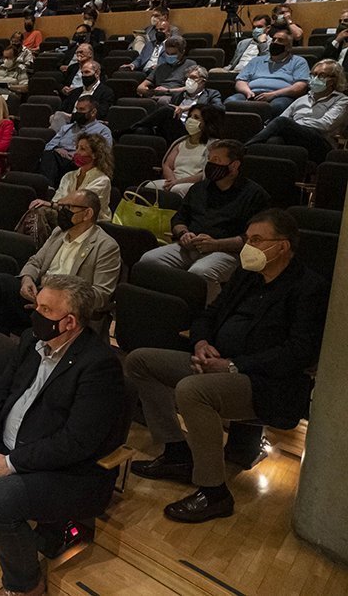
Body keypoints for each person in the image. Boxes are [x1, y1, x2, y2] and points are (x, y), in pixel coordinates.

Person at [126, 209, 328, 523]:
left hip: (263, 381)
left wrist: (232, 365)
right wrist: (201, 343)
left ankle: (215, 492)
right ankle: (178, 453)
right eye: (247, 239)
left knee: (192, 391)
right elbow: (209, 314)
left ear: (283, 246)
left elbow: (298, 352)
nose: (248, 246)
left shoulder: (308, 288)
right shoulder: (246, 274)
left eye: (257, 240)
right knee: (140, 361)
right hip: (215, 363)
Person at [0, 275, 125, 596]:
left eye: (44, 309)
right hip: (9, 447)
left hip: (66, 472)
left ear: (69, 322)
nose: (35, 313)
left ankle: (27, 585)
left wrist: (9, 463)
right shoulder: (31, 340)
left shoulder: (99, 366)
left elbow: (76, 443)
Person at [0, 190, 120, 336]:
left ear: (88, 214)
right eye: (60, 207)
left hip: (65, 311)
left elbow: (101, 295)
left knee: (3, 281)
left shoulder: (106, 246)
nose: (61, 212)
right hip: (39, 296)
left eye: (68, 208)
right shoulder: (58, 233)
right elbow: (35, 261)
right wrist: (27, 279)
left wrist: (55, 300)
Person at [139, 140, 270, 303]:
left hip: (229, 253)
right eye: (209, 159)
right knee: (148, 261)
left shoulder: (254, 195)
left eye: (216, 160)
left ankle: (214, 317)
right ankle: (165, 308)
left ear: (234, 165)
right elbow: (179, 218)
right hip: (190, 246)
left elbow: (253, 239)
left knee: (200, 272)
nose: (210, 164)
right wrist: (184, 233)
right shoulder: (199, 188)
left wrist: (217, 244)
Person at [246, 59, 348, 156]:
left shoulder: (342, 100)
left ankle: (245, 149)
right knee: (274, 141)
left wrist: (293, 124)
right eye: (313, 74)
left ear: (333, 80)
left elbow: (326, 124)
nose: (315, 78)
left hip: (322, 142)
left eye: (321, 75)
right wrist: (291, 126)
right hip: (296, 136)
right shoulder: (302, 98)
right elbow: (284, 117)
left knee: (282, 123)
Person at [226, 29, 310, 118]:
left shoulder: (298, 61)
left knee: (278, 106)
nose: (275, 42)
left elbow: (300, 87)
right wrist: (248, 93)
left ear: (288, 47)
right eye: (274, 39)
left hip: (279, 96)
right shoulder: (256, 60)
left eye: (280, 40)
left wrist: (273, 94)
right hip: (251, 94)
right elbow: (241, 81)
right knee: (230, 101)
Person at [147, 105, 223, 196]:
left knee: (177, 190)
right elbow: (167, 165)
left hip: (195, 184)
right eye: (190, 116)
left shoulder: (213, 145)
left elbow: (205, 174)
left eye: (196, 117)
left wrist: (178, 182)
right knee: (150, 186)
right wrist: (172, 181)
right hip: (173, 180)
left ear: (207, 123)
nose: (190, 120)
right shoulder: (180, 141)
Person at [37, 133, 113, 220]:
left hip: (92, 223)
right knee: (37, 210)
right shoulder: (68, 176)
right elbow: (57, 200)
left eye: (82, 149)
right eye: (77, 148)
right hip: (67, 218)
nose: (76, 152)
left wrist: (56, 204)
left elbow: (80, 205)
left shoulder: (102, 180)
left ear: (95, 155)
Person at [39, 96, 112, 187]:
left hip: (81, 163)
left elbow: (103, 154)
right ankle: (47, 188)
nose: (78, 113)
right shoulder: (67, 128)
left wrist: (75, 154)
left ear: (93, 112)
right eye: (76, 109)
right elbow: (49, 146)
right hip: (59, 159)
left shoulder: (103, 131)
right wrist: (57, 149)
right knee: (48, 155)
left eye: (81, 110)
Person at [52, 61, 113, 130]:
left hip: (90, 125)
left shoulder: (106, 92)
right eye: (82, 73)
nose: (83, 76)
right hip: (69, 124)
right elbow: (63, 109)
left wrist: (73, 116)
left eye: (87, 72)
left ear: (97, 73)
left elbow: (101, 113)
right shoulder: (75, 92)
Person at [136, 36, 198, 105]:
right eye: (167, 54)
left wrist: (168, 91)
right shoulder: (160, 67)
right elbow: (141, 86)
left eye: (173, 54)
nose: (169, 56)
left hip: (175, 96)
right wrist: (147, 90)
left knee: (163, 100)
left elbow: (192, 88)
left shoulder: (190, 64)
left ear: (182, 52)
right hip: (156, 95)